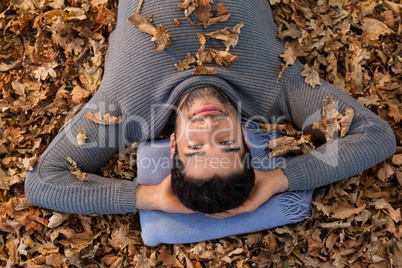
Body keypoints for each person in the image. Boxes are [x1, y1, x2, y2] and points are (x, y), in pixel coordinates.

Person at [25, 0, 396, 217]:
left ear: (172, 147)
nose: (210, 128)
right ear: (248, 144)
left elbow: (44, 182)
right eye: (228, 145)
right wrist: (280, 180)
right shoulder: (278, 91)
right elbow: (376, 136)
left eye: (196, 147)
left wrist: (149, 197)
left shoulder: (123, 108)